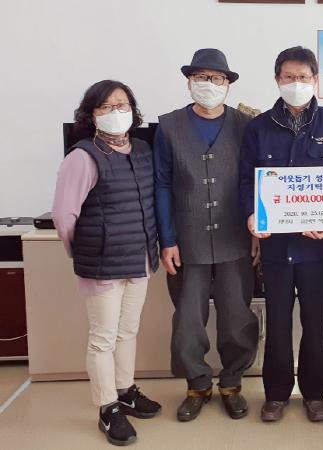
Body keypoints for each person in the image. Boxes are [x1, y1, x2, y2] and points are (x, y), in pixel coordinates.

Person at [239, 46, 323, 423]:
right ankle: (276, 395)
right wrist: (252, 215)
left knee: (316, 323)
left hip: (316, 248)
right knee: (278, 322)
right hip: (275, 247)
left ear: (315, 80)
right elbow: (246, 180)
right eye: (289, 77)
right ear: (277, 80)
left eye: (303, 77)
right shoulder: (257, 127)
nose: (296, 83)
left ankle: (315, 394)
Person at [52, 80, 161, 446]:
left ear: (133, 110)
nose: (117, 112)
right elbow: (64, 216)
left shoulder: (143, 150)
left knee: (127, 331)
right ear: (91, 115)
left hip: (140, 259)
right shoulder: (82, 157)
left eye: (123, 105)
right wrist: (84, 251)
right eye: (106, 106)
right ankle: (107, 407)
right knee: (103, 339)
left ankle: (125, 390)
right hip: (101, 264)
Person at [154, 48, 259, 422]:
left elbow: (256, 180)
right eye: (201, 78)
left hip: (236, 237)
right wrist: (167, 239)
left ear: (228, 85)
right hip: (187, 240)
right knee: (187, 320)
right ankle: (197, 385)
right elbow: (162, 184)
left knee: (237, 316)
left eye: (217, 79)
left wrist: (258, 229)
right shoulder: (168, 126)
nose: (209, 85)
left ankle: (232, 383)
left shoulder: (246, 125)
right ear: (189, 82)